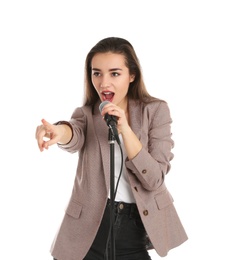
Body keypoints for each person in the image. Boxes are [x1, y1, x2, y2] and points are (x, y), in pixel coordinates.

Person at [35, 37, 188, 260]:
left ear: (132, 75)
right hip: (88, 229)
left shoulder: (156, 111)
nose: (104, 82)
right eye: (97, 73)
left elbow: (154, 179)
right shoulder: (87, 114)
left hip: (133, 229)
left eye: (114, 73)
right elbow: (74, 133)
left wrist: (125, 128)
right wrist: (59, 132)